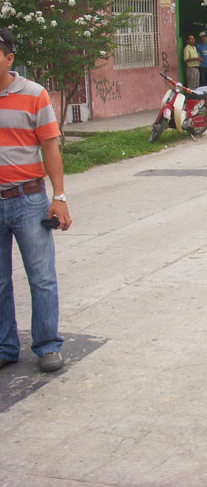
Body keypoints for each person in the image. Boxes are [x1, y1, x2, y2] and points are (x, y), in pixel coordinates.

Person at [0, 28, 73, 373]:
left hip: (28, 199)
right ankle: (5, 346)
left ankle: (47, 345)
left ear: (9, 58)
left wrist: (58, 197)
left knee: (41, 277)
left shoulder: (35, 95)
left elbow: (50, 147)